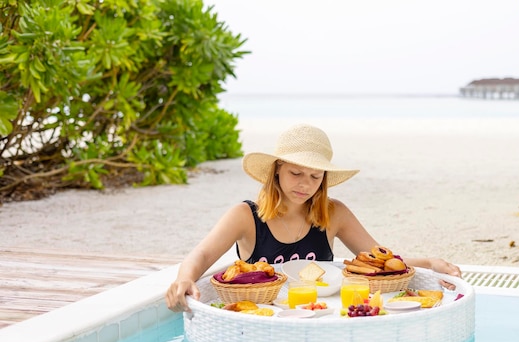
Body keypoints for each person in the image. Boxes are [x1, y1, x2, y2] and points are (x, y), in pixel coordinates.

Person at [165, 123, 461, 312]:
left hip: (320, 317)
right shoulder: (246, 216)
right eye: (295, 173)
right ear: (277, 169)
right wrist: (185, 278)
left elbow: (380, 262)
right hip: (264, 322)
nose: (305, 184)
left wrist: (430, 263)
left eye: (315, 176)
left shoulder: (334, 214)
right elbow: (202, 253)